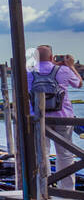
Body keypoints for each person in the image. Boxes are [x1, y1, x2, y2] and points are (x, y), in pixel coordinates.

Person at [29, 45, 81, 188]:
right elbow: (78, 84)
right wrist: (71, 66)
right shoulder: (63, 70)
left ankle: (44, 188)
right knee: (65, 155)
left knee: (42, 153)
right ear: (52, 57)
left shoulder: (29, 72)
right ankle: (67, 190)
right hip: (63, 117)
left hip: (39, 118)